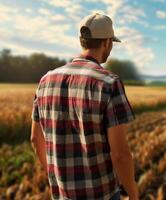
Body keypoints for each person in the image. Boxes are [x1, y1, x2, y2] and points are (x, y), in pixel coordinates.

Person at [30, 13, 139, 200]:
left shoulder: (45, 80)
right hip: (102, 194)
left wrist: (55, 178)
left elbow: (35, 139)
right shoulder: (108, 83)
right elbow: (120, 155)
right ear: (106, 42)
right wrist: (133, 194)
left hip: (62, 194)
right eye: (111, 43)